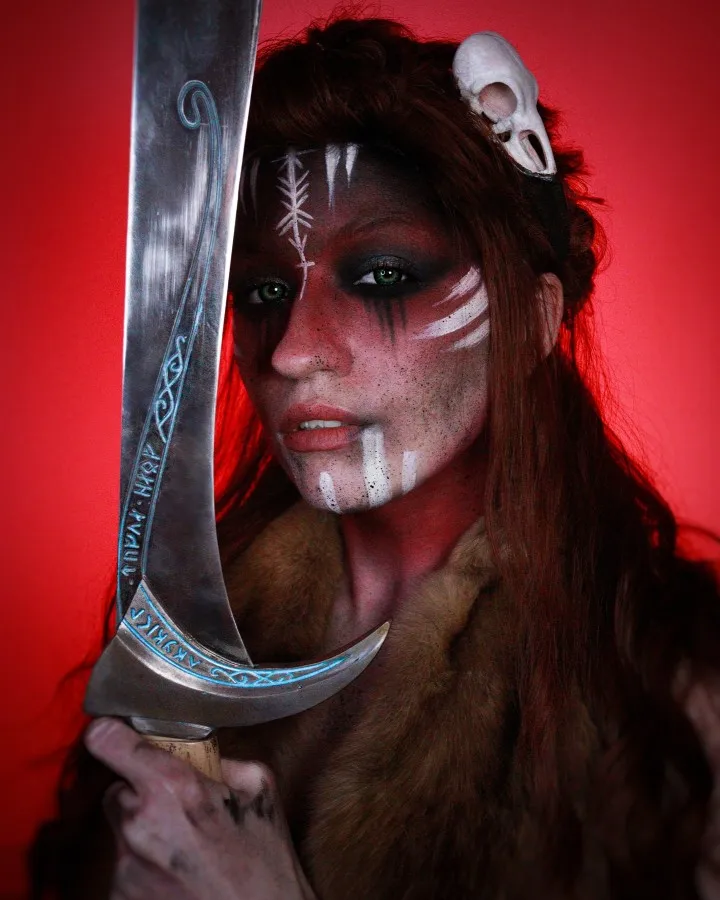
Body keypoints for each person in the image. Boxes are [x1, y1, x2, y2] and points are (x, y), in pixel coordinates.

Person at [30, 16, 720, 900]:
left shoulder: (677, 697)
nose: (291, 352)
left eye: (382, 276)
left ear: (532, 319)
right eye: (264, 291)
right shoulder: (190, 635)